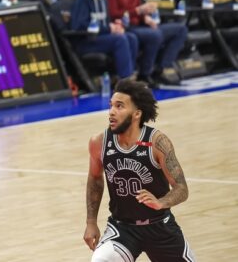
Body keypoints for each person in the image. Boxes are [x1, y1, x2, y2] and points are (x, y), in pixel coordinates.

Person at [84, 79, 196, 262]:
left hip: (160, 227)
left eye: (119, 106)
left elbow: (182, 188)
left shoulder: (157, 143)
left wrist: (161, 202)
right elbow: (95, 178)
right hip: (122, 229)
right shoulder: (99, 142)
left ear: (136, 114)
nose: (111, 112)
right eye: (111, 105)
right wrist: (91, 222)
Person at [104, 0, 188, 86]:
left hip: (140, 25)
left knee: (180, 29)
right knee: (154, 35)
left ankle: (160, 69)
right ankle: (145, 73)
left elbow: (139, 8)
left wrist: (146, 18)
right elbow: (114, 14)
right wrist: (138, 11)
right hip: (125, 27)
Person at [70, 0, 138, 80]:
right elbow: (79, 25)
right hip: (85, 41)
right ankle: (125, 79)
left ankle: (128, 73)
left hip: (101, 38)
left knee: (131, 37)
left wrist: (116, 26)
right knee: (120, 40)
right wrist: (109, 29)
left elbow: (106, 23)